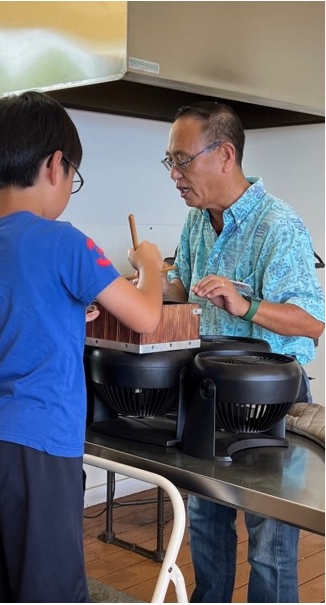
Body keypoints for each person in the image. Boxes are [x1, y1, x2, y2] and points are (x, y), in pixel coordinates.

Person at [0, 91, 165, 602]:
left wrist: (69, 311)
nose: (70, 188)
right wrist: (150, 264)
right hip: (39, 446)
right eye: (73, 177)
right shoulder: (66, 241)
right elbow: (147, 316)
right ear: (54, 165)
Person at [161, 101, 325, 603]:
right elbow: (181, 288)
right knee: (207, 525)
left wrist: (246, 303)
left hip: (270, 398)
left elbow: (312, 324)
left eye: (182, 160)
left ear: (225, 154)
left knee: (269, 544)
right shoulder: (196, 222)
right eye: (169, 162)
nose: (174, 174)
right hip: (207, 389)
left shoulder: (279, 225)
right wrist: (140, 284)